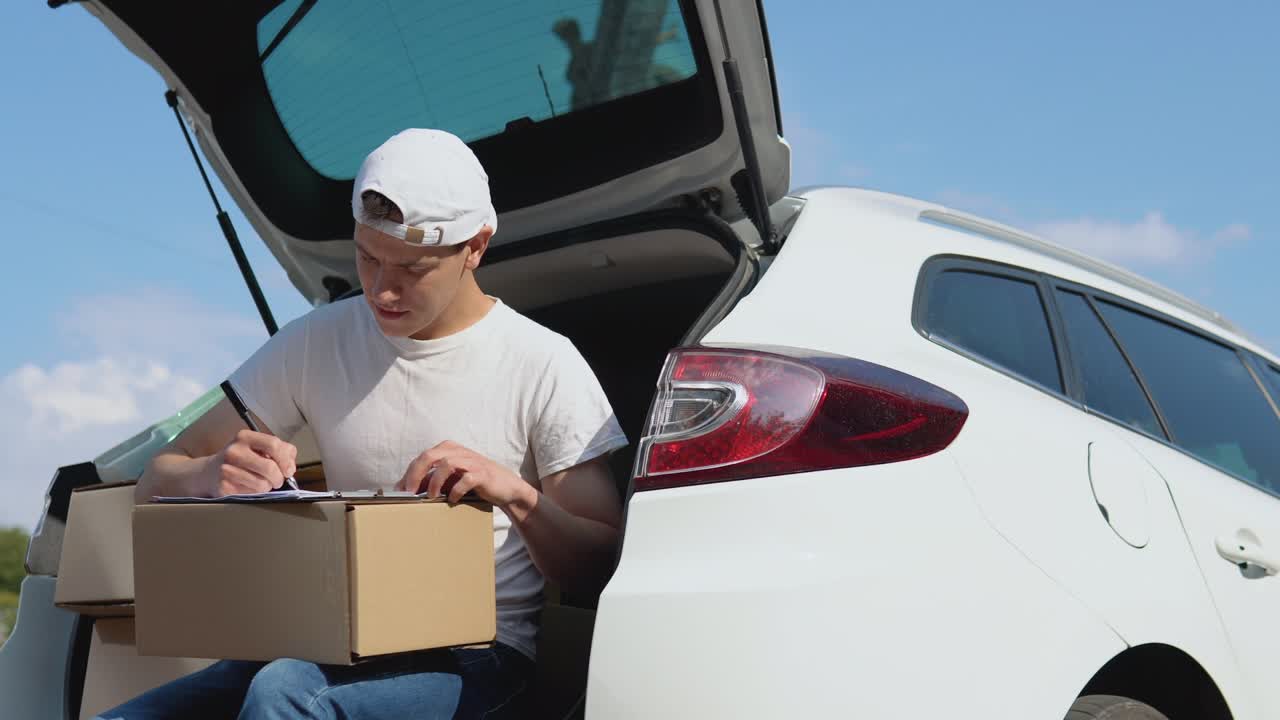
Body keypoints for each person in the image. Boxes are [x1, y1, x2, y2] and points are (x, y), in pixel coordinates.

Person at [98, 128, 628, 719]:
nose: (381, 288)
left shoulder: (543, 361)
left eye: (410, 267)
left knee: (288, 693)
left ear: (475, 246)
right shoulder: (315, 342)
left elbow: (599, 565)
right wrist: (209, 473)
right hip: (324, 641)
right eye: (367, 257)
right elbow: (155, 479)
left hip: (477, 655)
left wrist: (515, 493)